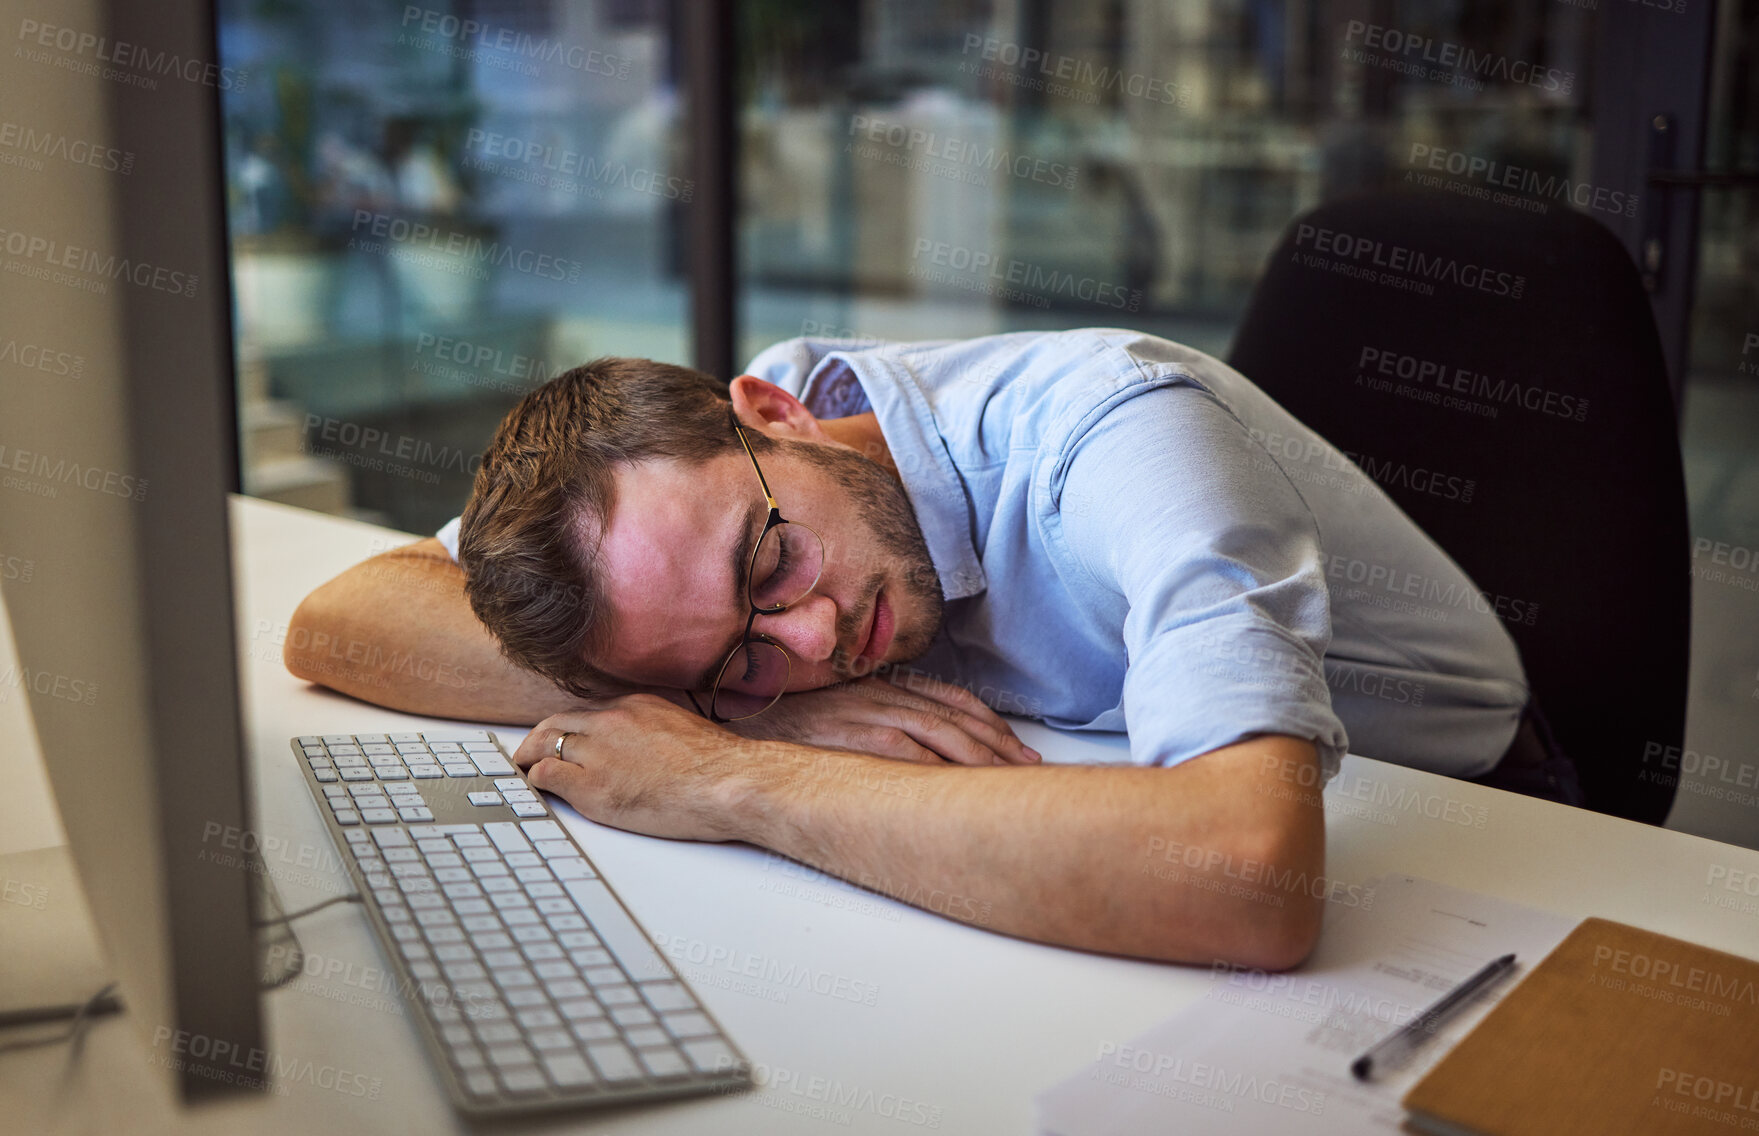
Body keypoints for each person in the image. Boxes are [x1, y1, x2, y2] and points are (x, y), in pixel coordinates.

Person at [286, 328, 1574, 969]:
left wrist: (725, 772)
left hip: (1486, 845)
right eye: (729, 659)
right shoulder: (695, 499)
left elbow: (1246, 873)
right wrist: (763, 707)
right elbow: (342, 619)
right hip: (1095, 791)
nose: (810, 640)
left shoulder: (1116, 434)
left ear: (780, 413)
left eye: (769, 564)